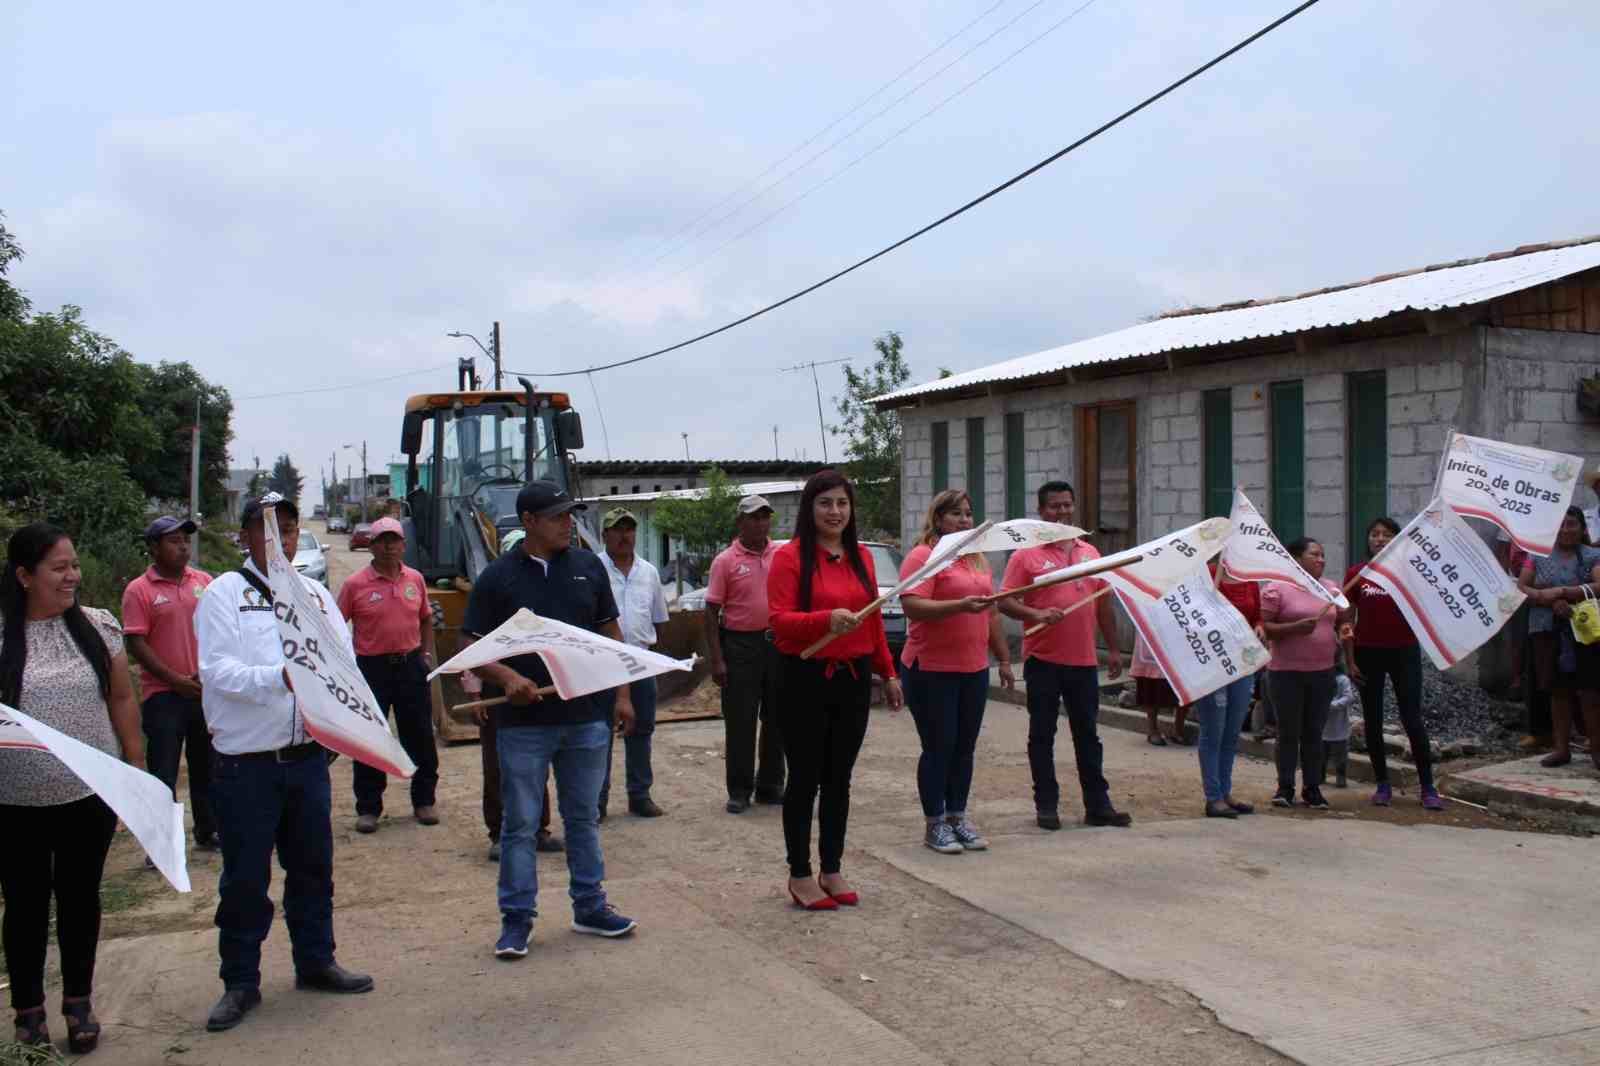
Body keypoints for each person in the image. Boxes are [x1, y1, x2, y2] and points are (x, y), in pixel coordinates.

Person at [196, 494, 373, 1033]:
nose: (281, 540)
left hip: (306, 762)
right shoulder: (224, 595)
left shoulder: (317, 596)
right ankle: (240, 982)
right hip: (247, 765)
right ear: (246, 538)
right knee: (246, 878)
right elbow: (217, 671)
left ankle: (315, 961)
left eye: (289, 530)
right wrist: (280, 677)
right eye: (268, 530)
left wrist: (350, 727)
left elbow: (344, 665)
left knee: (314, 867)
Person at [462, 480, 638, 959]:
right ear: (529, 522)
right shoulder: (497, 579)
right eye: (559, 516)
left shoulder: (588, 569)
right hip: (524, 727)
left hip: (587, 719)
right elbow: (470, 647)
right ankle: (516, 920)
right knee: (520, 824)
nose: (569, 524)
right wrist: (506, 678)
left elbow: (610, 636)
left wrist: (622, 694)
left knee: (582, 817)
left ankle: (590, 906)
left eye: (570, 515)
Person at [0, 523, 143, 1053]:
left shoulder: (98, 627)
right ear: (23, 576)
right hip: (14, 803)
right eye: (58, 568)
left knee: (81, 898)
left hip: (90, 796)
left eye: (75, 566)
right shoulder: (1, 637)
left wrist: (135, 768)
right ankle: (29, 1011)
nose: (72, 577)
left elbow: (123, 700)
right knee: (25, 904)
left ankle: (79, 1002)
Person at [769, 470, 903, 910]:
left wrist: (889, 671)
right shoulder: (790, 558)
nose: (835, 512)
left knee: (839, 780)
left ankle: (832, 867)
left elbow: (874, 620)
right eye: (825, 503)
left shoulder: (862, 557)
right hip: (803, 678)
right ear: (810, 509)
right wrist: (825, 620)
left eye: (842, 503)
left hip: (853, 678)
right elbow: (780, 621)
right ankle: (800, 873)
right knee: (804, 779)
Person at [999, 480, 1129, 831]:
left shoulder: (1090, 553)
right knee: (1042, 735)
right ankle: (1047, 805)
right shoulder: (1026, 555)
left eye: (1067, 505)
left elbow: (1103, 606)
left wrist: (1114, 649)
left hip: (1084, 663)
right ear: (1041, 512)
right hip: (1043, 661)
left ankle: (1098, 806)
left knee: (1088, 735)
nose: (1062, 511)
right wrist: (1036, 616)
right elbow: (1005, 600)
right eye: (1055, 506)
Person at [898, 489, 1013, 854]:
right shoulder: (924, 557)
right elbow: (913, 605)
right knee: (939, 747)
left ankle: (957, 817)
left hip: (973, 668)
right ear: (938, 519)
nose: (965, 521)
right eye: (956, 514)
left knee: (964, 747)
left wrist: (1004, 659)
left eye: (968, 513)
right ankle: (935, 823)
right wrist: (959, 605)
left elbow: (991, 612)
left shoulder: (977, 559)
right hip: (931, 668)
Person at [336, 516, 440, 833]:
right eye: (382, 540)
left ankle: (424, 800)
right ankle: (368, 807)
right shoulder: (355, 585)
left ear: (403, 545)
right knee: (371, 737)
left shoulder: (416, 580)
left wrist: (425, 655)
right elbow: (337, 627)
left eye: (394, 539)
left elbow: (425, 619)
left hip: (410, 665)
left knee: (420, 735)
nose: (389, 546)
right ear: (372, 545)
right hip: (371, 669)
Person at [122, 515, 216, 851]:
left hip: (204, 691)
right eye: (173, 541)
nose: (182, 547)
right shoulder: (139, 590)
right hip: (163, 696)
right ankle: (162, 844)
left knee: (207, 766)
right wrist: (174, 680)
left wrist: (207, 674)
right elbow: (136, 643)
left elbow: (219, 631)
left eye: (185, 541)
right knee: (163, 771)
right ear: (153, 547)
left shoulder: (204, 581)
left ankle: (208, 830)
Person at [1343, 517, 1441, 809]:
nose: (1380, 539)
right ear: (1368, 540)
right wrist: (1349, 658)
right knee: (1372, 720)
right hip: (1367, 654)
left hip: (1404, 652)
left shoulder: (1410, 573)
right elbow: (1347, 620)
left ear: (1398, 539)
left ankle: (1427, 787)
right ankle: (1382, 784)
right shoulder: (1357, 574)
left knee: (1412, 718)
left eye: (1387, 535)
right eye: (1374, 534)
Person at [481, 528, 562, 860]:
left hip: (538, 690)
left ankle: (538, 829)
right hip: (498, 690)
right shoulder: (491, 590)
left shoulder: (547, 596)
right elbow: (473, 646)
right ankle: (500, 833)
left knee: (537, 763)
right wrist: (478, 686)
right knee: (498, 766)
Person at [704, 494, 786, 813]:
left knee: (777, 718)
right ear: (740, 522)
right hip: (739, 646)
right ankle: (739, 790)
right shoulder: (725, 561)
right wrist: (717, 659)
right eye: (754, 517)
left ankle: (770, 785)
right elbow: (711, 612)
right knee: (741, 721)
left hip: (777, 644)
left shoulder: (782, 553)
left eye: (765, 517)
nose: (761, 523)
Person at [1260, 537, 1350, 810]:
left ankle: (1312, 789)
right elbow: (1262, 627)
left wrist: (1345, 630)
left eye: (1323, 555)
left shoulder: (1331, 589)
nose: (1321, 559)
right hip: (1285, 673)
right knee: (1288, 732)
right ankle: (1284, 788)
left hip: (1323, 673)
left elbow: (1343, 620)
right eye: (1315, 555)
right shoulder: (1277, 589)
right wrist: (1294, 628)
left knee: (1314, 732)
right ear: (1296, 559)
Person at [597, 507, 670, 819]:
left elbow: (659, 620)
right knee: (598, 733)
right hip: (601, 662)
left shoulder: (649, 572)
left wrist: (653, 657)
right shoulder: (593, 569)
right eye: (618, 529)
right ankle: (596, 802)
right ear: (605, 535)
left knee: (641, 728)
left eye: (630, 529)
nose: (625, 535)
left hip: (640, 661)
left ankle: (639, 795)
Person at [1517, 506, 1600, 770]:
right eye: (1561, 525)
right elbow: (1521, 586)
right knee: (1557, 690)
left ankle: (1597, 750)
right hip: (1546, 630)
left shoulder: (1592, 555)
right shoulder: (1537, 556)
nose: (1566, 530)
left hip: (1586, 631)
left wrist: (1565, 592)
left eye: (1572, 524)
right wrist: (1546, 599)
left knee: (1590, 691)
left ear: (1582, 528)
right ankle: (1561, 749)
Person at [1193, 561, 1260, 819]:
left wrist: (1260, 626)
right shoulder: (1206, 574)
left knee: (1232, 732)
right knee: (1213, 731)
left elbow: (1257, 616)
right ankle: (1213, 797)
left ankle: (1225, 791)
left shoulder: (1249, 577)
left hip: (1243, 662)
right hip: (1212, 664)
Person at [1130, 633, 1184, 746]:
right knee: (1151, 682)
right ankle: (1152, 729)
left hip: (1179, 629)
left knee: (1184, 680)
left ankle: (1178, 728)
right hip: (1153, 630)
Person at [1320, 667, 1355, 789]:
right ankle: (1320, 776)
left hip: (1339, 727)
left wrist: (1332, 705)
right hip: (1322, 727)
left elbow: (1349, 697)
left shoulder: (1342, 679)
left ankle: (1341, 777)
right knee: (1320, 756)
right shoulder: (1319, 677)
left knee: (1340, 758)